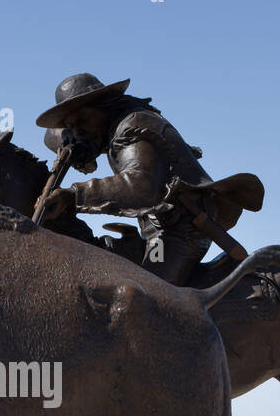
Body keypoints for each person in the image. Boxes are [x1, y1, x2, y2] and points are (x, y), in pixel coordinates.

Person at [37, 73, 237, 286]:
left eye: (82, 121)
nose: (78, 131)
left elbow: (141, 185)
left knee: (147, 296)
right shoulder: (116, 128)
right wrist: (71, 141)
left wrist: (74, 195)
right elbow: (53, 137)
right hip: (158, 232)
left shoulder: (132, 125)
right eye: (71, 127)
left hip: (179, 233)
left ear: (105, 106)